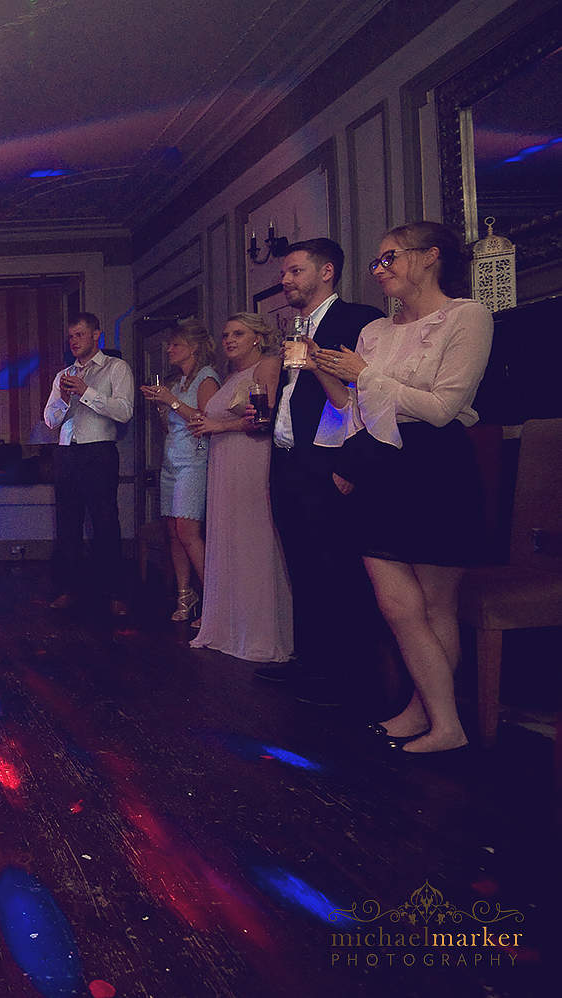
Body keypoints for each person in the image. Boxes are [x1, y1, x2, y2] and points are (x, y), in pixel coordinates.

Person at [310, 221, 493, 754]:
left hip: (437, 468)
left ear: (430, 256)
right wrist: (331, 376)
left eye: (389, 258)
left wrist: (364, 374)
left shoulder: (467, 316)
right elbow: (359, 409)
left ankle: (433, 719)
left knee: (437, 607)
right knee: (396, 604)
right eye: (377, 261)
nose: (381, 269)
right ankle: (441, 719)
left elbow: (441, 409)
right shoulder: (375, 332)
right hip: (382, 466)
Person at [254, 239, 386, 706]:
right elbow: (295, 392)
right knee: (301, 560)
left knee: (336, 565)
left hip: (328, 463)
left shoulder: (358, 319)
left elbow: (364, 399)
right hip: (288, 457)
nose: (285, 280)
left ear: (327, 271)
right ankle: (309, 659)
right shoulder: (293, 325)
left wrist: (348, 464)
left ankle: (346, 671)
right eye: (285, 273)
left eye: (294, 271)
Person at [188, 313, 293, 663]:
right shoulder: (231, 375)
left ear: (257, 337)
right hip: (226, 461)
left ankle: (259, 633)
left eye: (238, 333)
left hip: (252, 459)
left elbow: (264, 420)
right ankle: (230, 625)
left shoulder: (268, 365)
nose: (229, 340)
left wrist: (219, 425)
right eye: (225, 334)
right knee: (230, 538)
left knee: (254, 539)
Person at [43, 313, 134, 614]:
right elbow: (50, 420)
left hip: (99, 451)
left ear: (97, 334)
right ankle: (68, 589)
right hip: (67, 453)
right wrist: (66, 399)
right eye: (71, 336)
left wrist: (87, 392)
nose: (74, 341)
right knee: (67, 524)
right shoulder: (62, 375)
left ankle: (116, 592)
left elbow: (123, 411)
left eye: (80, 335)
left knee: (105, 522)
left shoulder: (115, 368)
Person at [140, 320, 219, 622]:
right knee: (173, 532)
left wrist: (170, 401)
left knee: (188, 532)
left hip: (194, 463)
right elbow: (170, 427)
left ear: (194, 348)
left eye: (176, 345)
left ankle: (213, 599)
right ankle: (185, 595)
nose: (169, 349)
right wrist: (163, 407)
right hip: (172, 461)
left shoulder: (206, 379)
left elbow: (204, 420)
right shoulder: (176, 382)